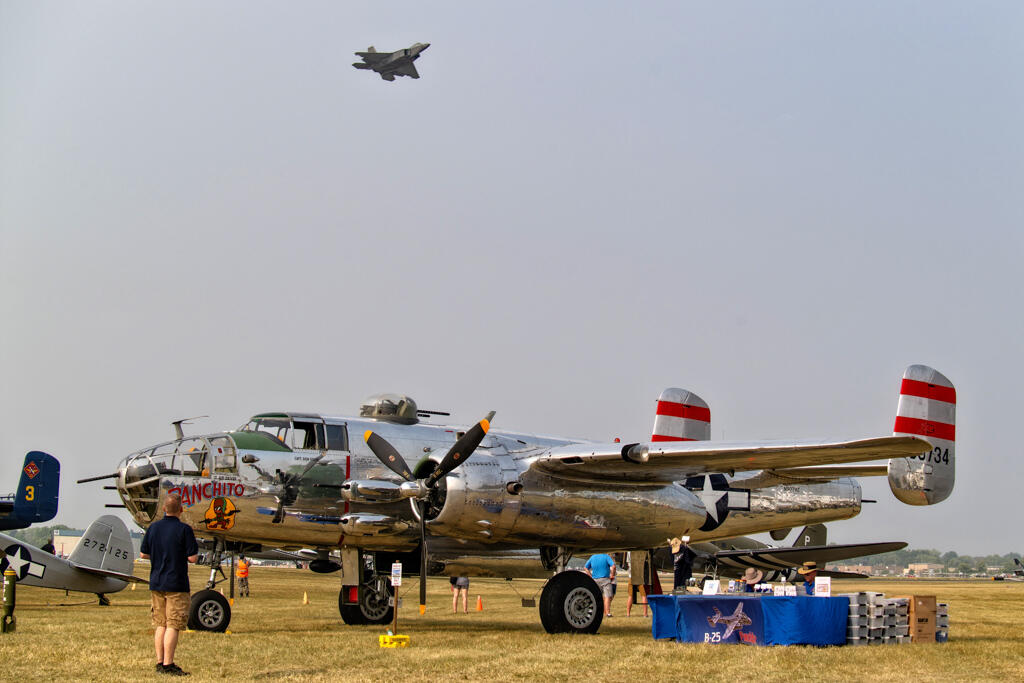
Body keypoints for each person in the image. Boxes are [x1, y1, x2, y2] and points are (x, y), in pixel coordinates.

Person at [140, 493, 199, 677]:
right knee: (173, 624)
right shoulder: (185, 530)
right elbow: (193, 558)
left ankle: (159, 661)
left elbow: (143, 554)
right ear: (181, 510)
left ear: (163, 509)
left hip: (156, 582)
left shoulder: (153, 528)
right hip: (177, 583)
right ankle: (168, 664)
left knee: (160, 624)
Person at [584, 552, 617, 617]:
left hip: (595, 580)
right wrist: (612, 575)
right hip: (605, 579)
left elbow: (585, 568)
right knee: (607, 596)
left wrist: (590, 576)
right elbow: (613, 566)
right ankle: (607, 613)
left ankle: (594, 612)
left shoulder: (593, 557)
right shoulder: (606, 556)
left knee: (595, 597)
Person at [626, 550, 652, 617]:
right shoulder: (642, 552)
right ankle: (645, 614)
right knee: (643, 595)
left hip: (631, 576)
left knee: (630, 595)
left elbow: (627, 564)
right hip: (640, 576)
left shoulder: (629, 552)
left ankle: (628, 614)